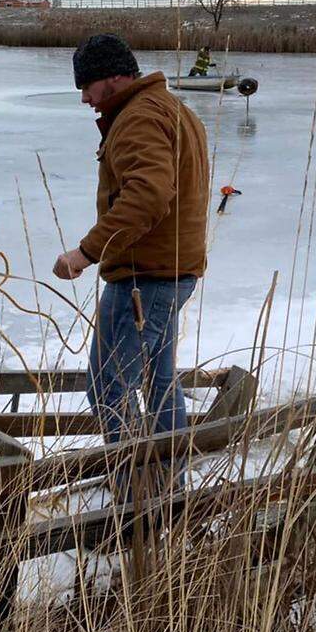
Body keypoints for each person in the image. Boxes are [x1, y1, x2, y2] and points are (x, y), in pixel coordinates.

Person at [53, 34, 209, 495]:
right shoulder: (170, 108)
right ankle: (168, 486)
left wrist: (86, 252)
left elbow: (149, 194)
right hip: (172, 272)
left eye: (89, 86)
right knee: (160, 384)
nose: (84, 97)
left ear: (116, 78)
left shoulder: (138, 118)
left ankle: (137, 500)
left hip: (146, 279)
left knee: (109, 389)